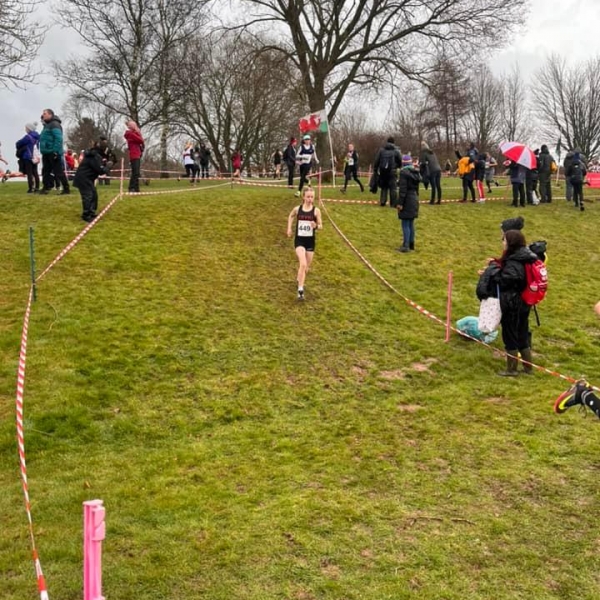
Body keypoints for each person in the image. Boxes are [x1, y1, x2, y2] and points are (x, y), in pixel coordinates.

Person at [486, 229, 538, 376]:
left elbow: (510, 280)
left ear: (511, 243)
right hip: (524, 302)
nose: (502, 242)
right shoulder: (526, 257)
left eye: (504, 240)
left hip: (512, 303)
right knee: (522, 333)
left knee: (510, 335)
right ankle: (528, 368)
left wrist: (494, 275)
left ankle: (511, 369)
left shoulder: (514, 261)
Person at [286, 187, 323, 300]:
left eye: (312, 197)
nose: (310, 199)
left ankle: (299, 278)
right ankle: (300, 290)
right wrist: (289, 229)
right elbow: (291, 216)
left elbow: (321, 226)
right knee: (303, 264)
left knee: (306, 268)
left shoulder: (316, 211)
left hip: (310, 242)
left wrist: (316, 226)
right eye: (308, 197)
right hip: (299, 241)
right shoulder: (298, 209)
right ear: (303, 197)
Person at [73, 138, 108, 223]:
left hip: (88, 178)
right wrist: (107, 167)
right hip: (84, 178)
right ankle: (86, 214)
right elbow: (99, 170)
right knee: (88, 195)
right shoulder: (94, 156)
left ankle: (91, 212)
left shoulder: (94, 155)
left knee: (94, 194)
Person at [39, 108, 70, 195]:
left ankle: (66, 188)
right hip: (46, 152)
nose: (43, 115)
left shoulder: (55, 124)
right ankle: (46, 187)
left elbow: (58, 139)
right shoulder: (46, 126)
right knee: (45, 171)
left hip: (53, 152)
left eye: (45, 113)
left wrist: (55, 151)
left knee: (58, 171)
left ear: (50, 114)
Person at [396, 155, 421, 252]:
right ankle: (411, 244)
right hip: (414, 199)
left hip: (407, 199)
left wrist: (400, 203)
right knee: (411, 223)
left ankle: (405, 246)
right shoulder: (416, 173)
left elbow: (403, 190)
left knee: (405, 223)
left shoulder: (403, 173)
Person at [372, 136, 401, 207]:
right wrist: (397, 166)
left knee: (384, 187)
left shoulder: (381, 150)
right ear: (394, 143)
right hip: (392, 171)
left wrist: (375, 169)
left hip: (383, 171)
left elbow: (376, 161)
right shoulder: (396, 151)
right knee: (393, 188)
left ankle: (382, 201)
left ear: (387, 142)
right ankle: (393, 203)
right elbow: (400, 161)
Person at [15, 123, 40, 193]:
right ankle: (37, 187)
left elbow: (18, 143)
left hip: (28, 157)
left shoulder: (27, 137)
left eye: (26, 128)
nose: (25, 129)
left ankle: (30, 188)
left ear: (29, 129)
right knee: (35, 172)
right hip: (35, 157)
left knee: (29, 173)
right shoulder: (38, 137)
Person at [124, 120, 144, 192]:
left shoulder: (132, 134)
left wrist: (137, 132)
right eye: (135, 126)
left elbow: (141, 141)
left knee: (136, 172)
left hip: (137, 154)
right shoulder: (131, 134)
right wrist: (138, 132)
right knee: (135, 172)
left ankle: (136, 188)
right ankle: (132, 187)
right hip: (134, 154)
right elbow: (141, 140)